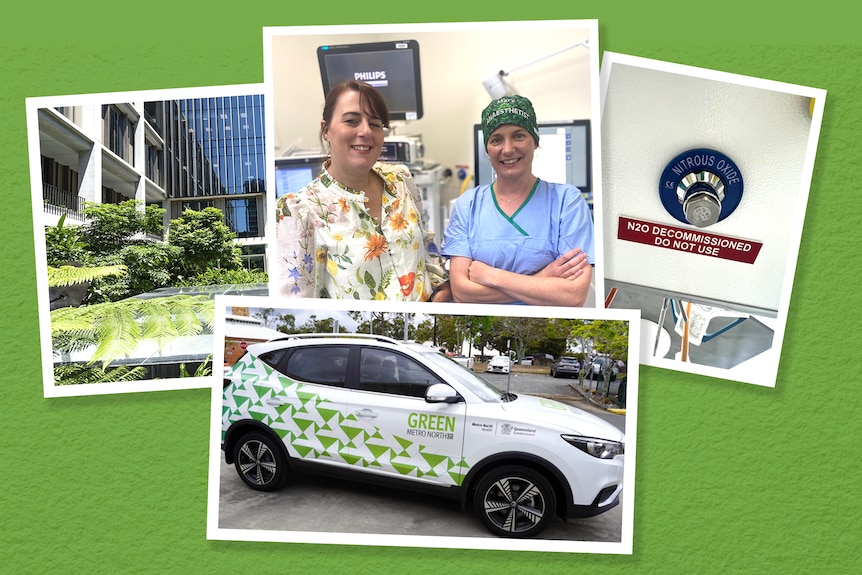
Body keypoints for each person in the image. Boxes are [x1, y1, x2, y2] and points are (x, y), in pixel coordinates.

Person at [275, 81, 449, 301]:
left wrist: (442, 290)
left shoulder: (400, 179)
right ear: (326, 130)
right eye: (352, 121)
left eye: (375, 123)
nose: (366, 131)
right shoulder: (298, 211)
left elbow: (425, 245)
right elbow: (295, 309)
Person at [441, 95, 594, 306]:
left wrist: (491, 276)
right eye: (496, 140)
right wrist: (542, 278)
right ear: (487, 149)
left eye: (518, 136)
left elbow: (573, 296)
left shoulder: (567, 202)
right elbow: (462, 294)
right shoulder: (468, 205)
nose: (508, 149)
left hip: (546, 325)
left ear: (535, 141)